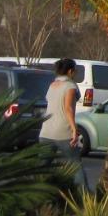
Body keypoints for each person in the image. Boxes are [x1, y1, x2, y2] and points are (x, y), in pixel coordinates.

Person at [41, 57, 86, 188]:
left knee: (42, 167)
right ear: (70, 71)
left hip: (46, 132)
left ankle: (36, 192)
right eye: (75, 71)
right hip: (63, 132)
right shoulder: (70, 86)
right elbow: (68, 108)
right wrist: (74, 129)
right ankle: (84, 195)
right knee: (75, 165)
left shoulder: (52, 85)